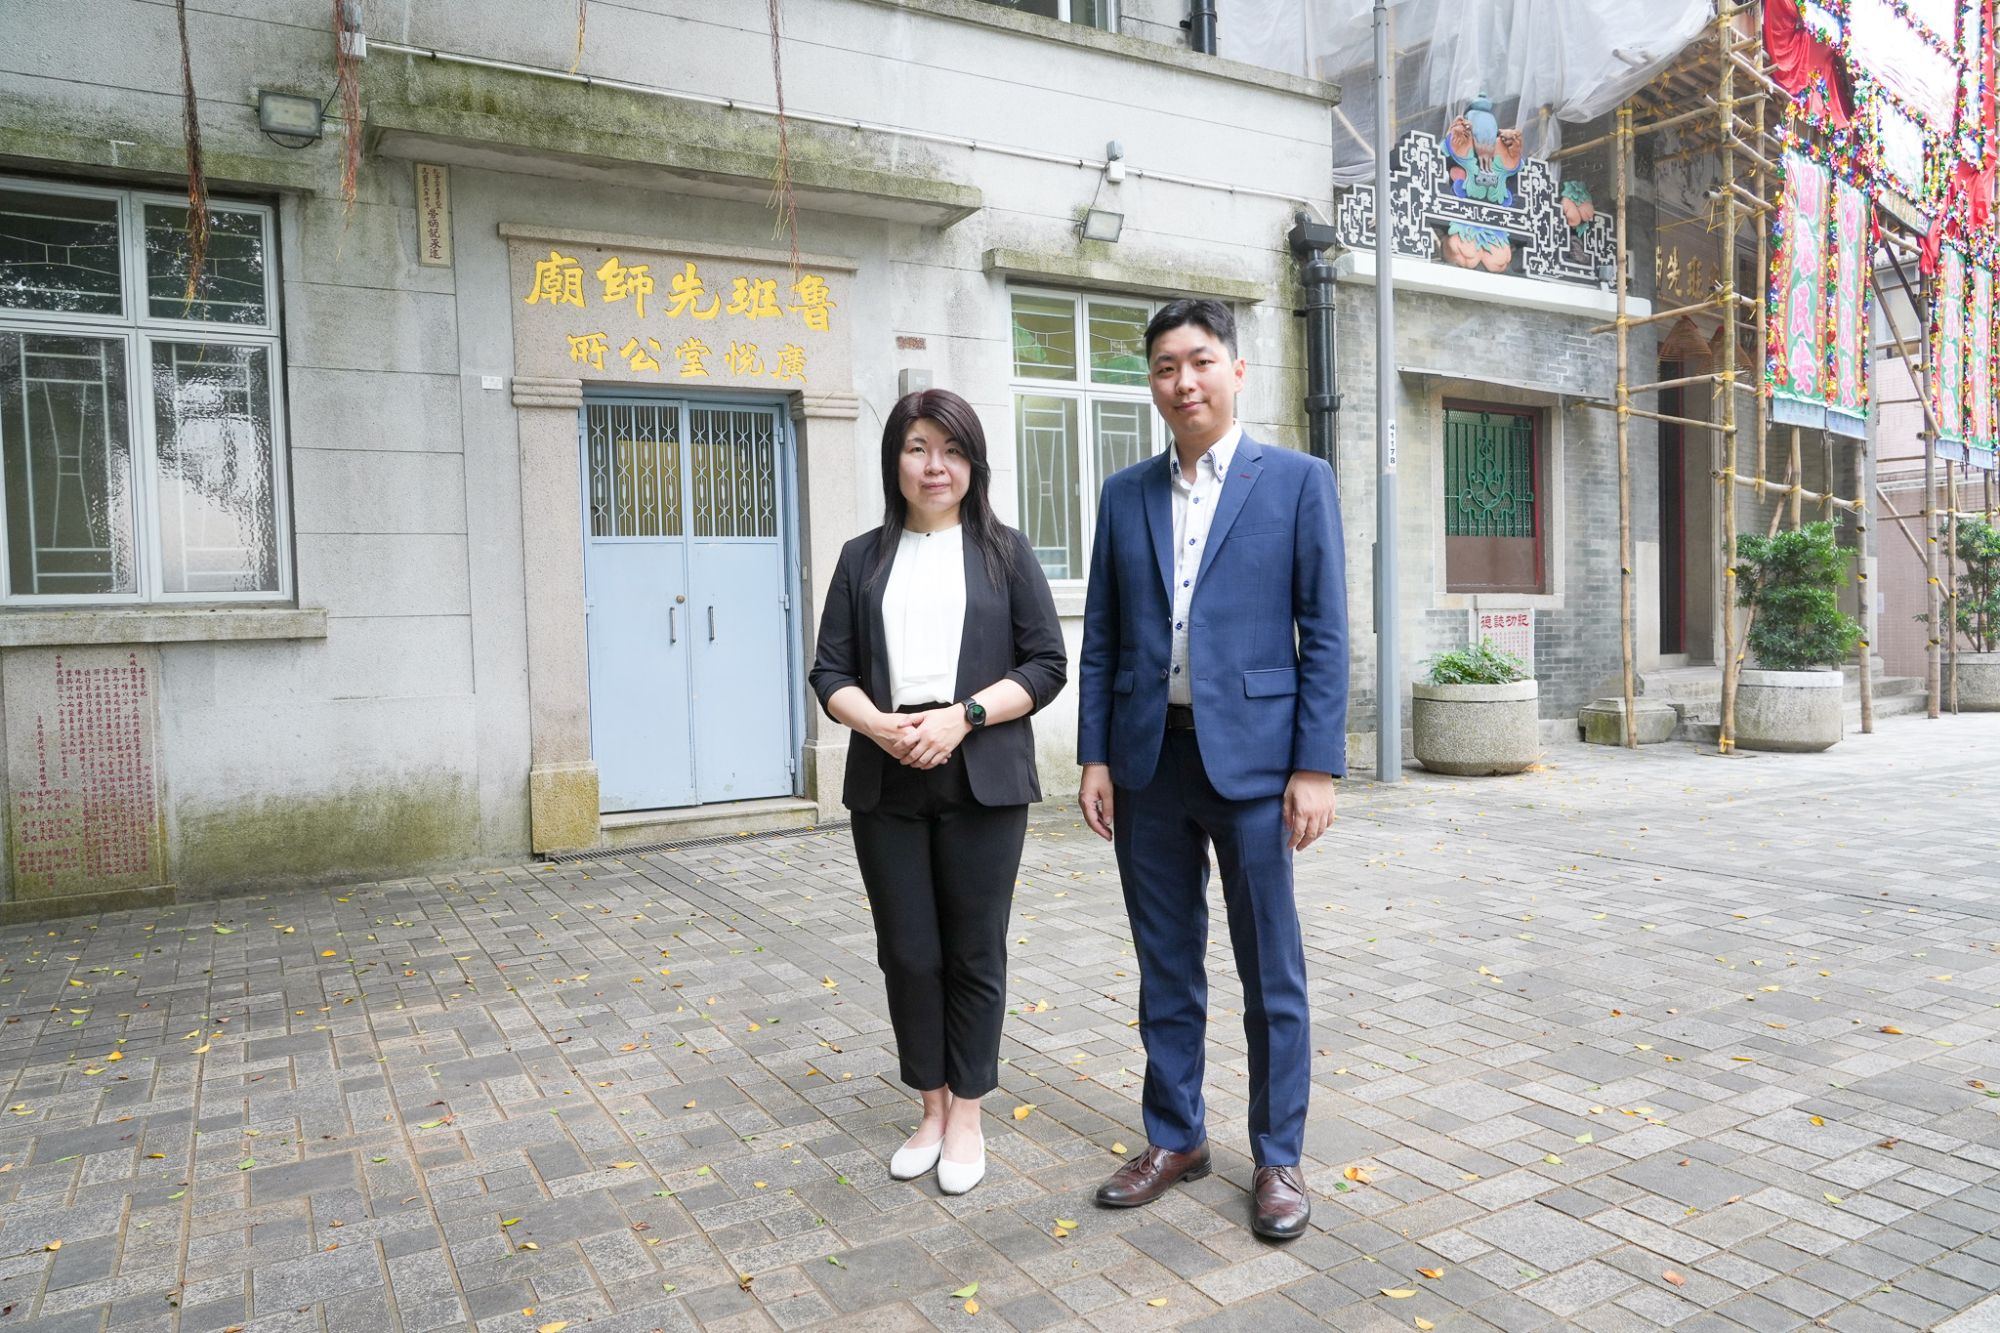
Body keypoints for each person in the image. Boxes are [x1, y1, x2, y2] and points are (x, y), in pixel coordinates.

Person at [1077, 298, 1348, 1239]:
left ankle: (1278, 1156)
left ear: (1236, 369)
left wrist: (1315, 767)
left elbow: (1327, 633)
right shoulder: (1124, 495)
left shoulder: (1298, 481)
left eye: (1198, 361)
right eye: (1163, 367)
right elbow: (1105, 639)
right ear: (1151, 384)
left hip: (1259, 767)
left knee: (1271, 967)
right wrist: (1097, 755)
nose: (1182, 381)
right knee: (1166, 962)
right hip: (1151, 761)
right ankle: (1176, 1134)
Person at [810, 388, 1067, 1196]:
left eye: (951, 450)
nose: (935, 465)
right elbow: (830, 672)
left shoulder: (1005, 552)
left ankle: (969, 1115)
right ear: (896, 459)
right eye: (919, 447)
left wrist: (966, 716)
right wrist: (882, 726)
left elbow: (1047, 664)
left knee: (974, 949)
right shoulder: (863, 557)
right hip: (887, 774)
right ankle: (929, 1105)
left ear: (972, 463)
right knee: (909, 953)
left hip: (980, 769)